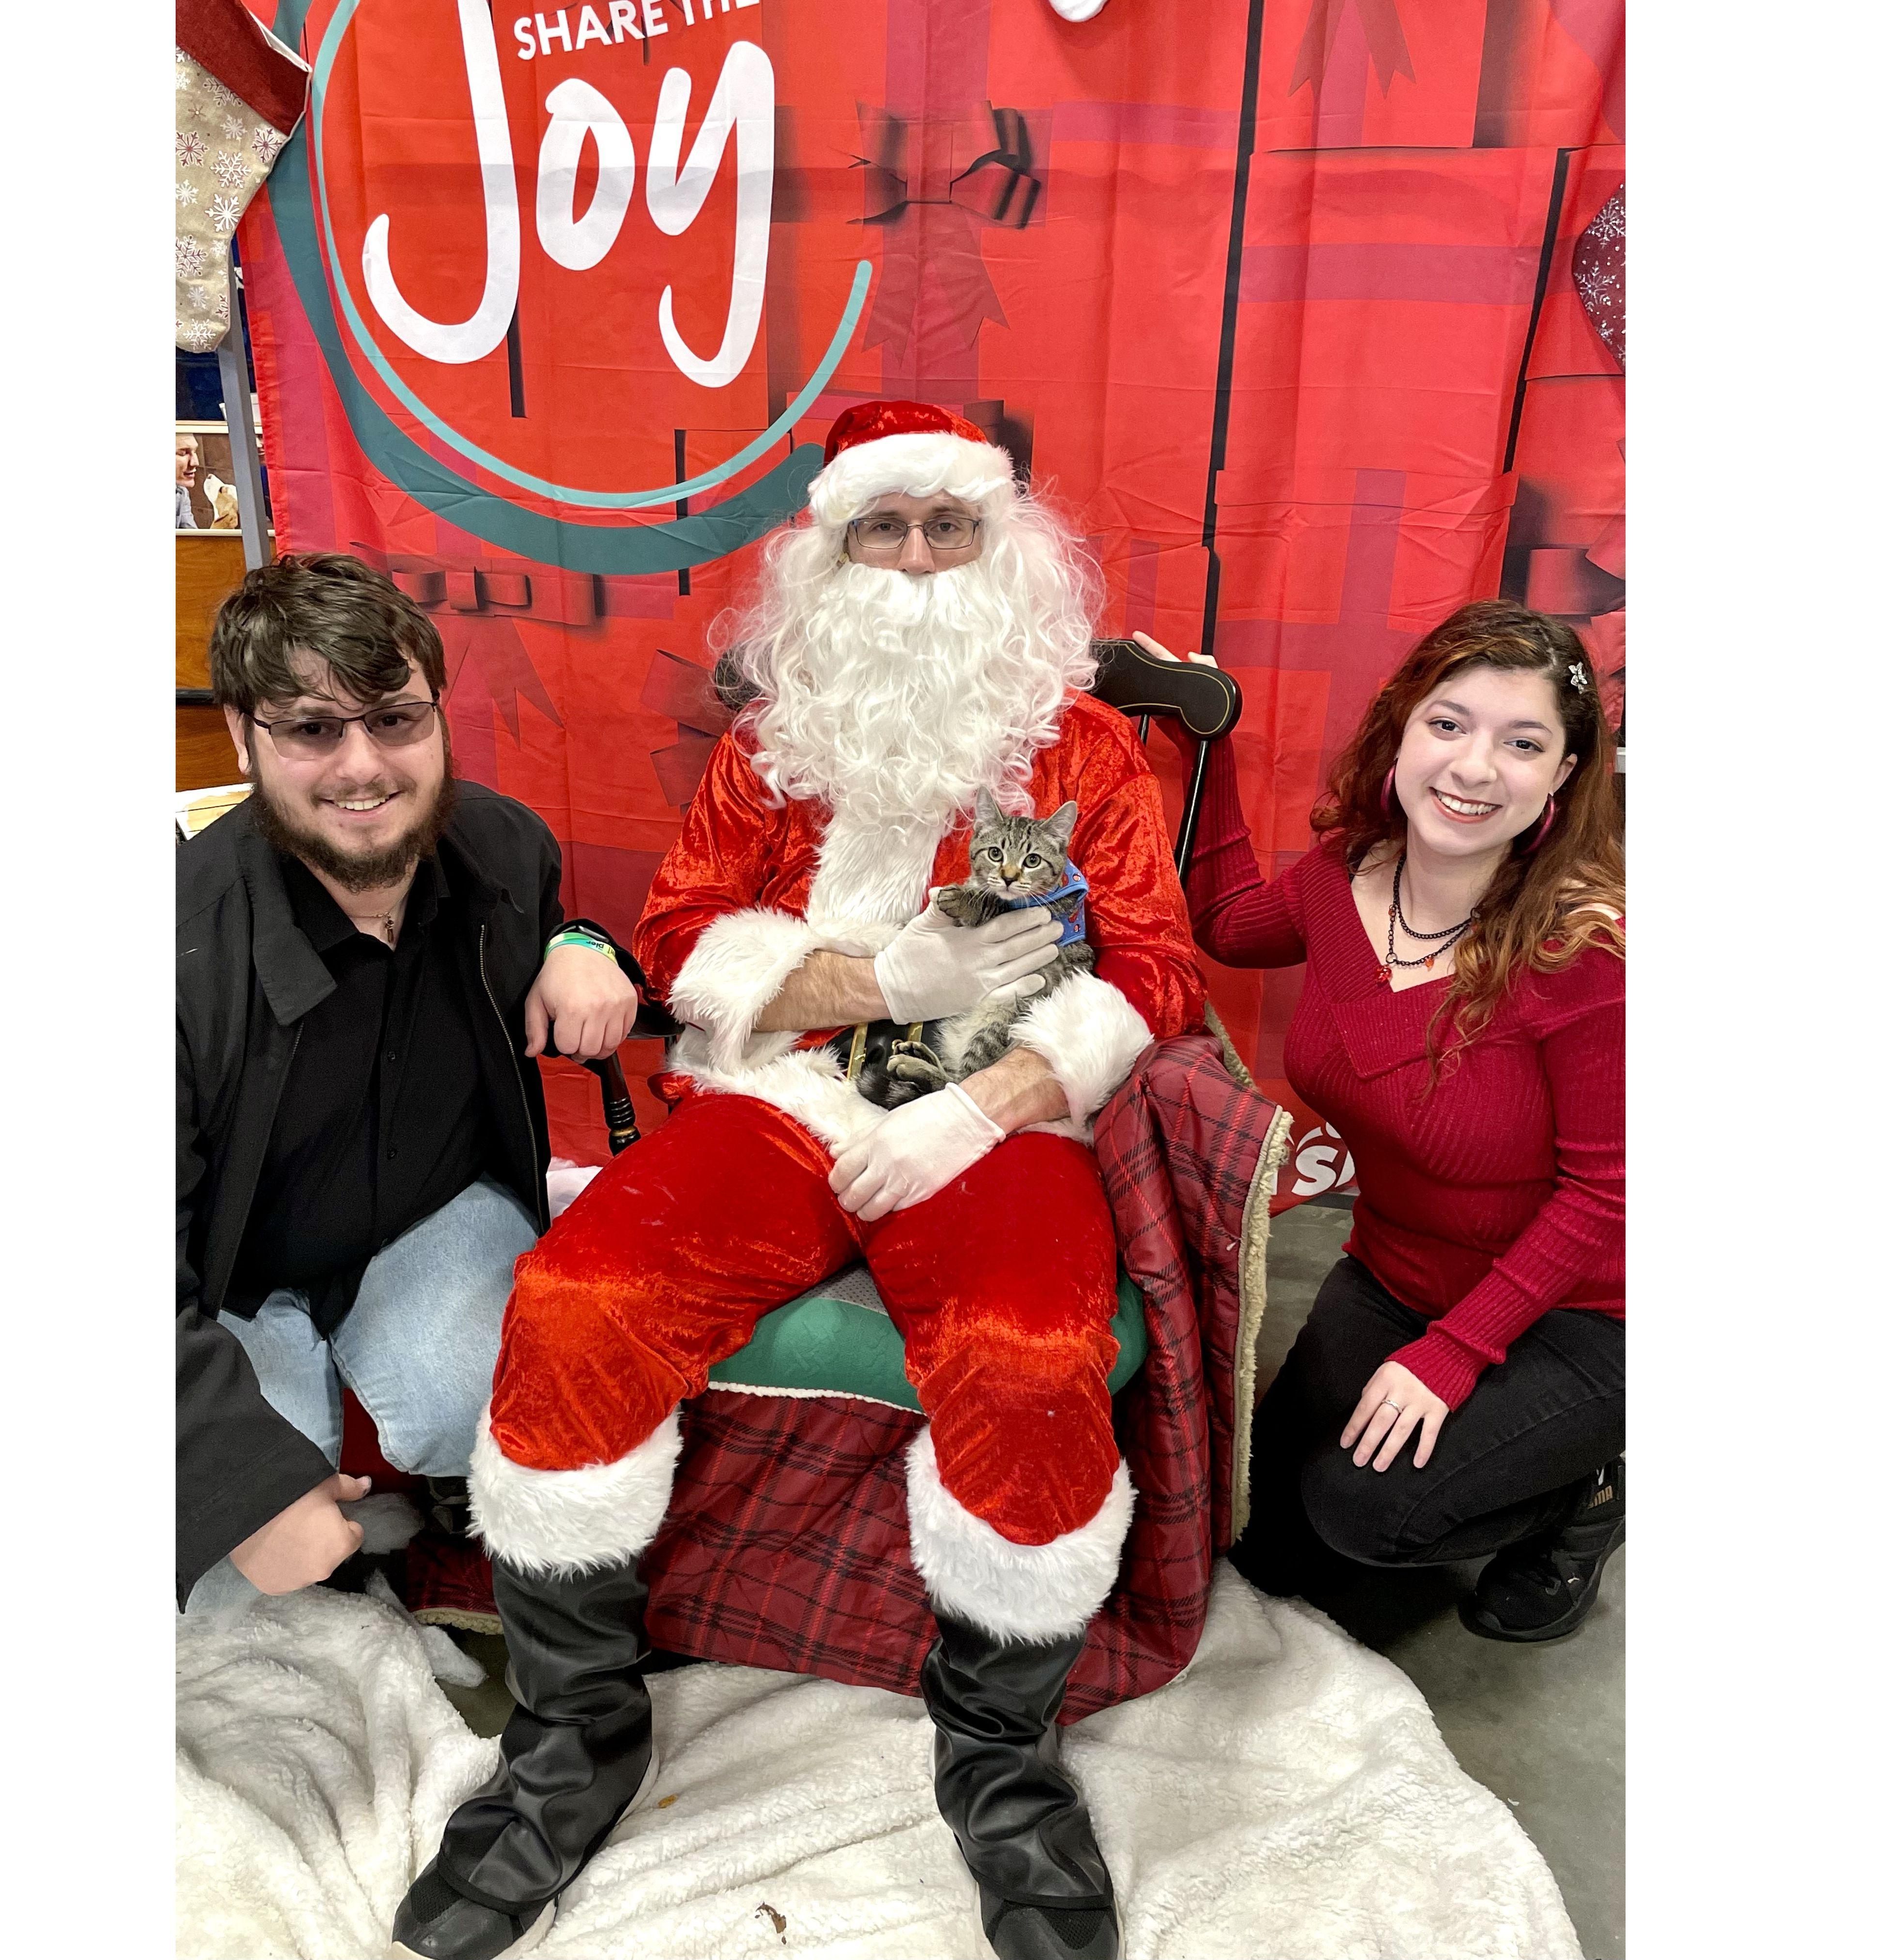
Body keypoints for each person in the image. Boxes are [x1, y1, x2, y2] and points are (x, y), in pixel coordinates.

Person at [392, 403, 1207, 1960]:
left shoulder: (1087, 751)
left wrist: (983, 1107)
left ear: (1001, 549)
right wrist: (869, 972)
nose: (911, 562)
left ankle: (998, 1761)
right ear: (823, 560)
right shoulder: (776, 743)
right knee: (574, 1296)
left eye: (944, 528)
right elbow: (690, 942)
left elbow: (1155, 970)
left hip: (995, 1115)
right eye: (877, 531)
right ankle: (573, 1741)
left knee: (1032, 1353)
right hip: (783, 1090)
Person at [1141, 599, 1625, 1643]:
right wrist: (1205, 746)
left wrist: (1450, 1355)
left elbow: (1609, 1196)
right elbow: (1226, 923)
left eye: (1522, 741)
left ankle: (1583, 1498)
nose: (1474, 766)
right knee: (1256, 1533)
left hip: (1585, 1312)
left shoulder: (1585, 951)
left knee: (1365, 1515)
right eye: (1448, 724)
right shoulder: (1341, 877)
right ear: (1400, 730)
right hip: (1395, 1270)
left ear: (1561, 776)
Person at [177, 552, 643, 1621]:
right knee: (228, 1556)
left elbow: (570, 945)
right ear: (245, 736)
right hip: (224, 1272)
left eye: (393, 719)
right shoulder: (170, 949)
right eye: (310, 728)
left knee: (503, 1402)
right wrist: (247, 1489)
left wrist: (580, 939)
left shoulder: (503, 844)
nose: (362, 766)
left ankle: (442, 1503)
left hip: (424, 1215)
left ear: (437, 717)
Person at [176, 430, 202, 528]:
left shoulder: (181, 493)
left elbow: (192, 537)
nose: (195, 463)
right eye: (183, 453)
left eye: (195, 452)